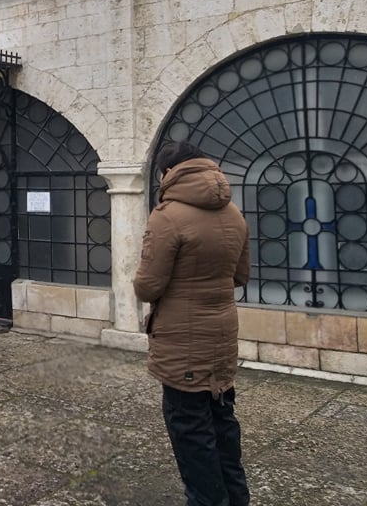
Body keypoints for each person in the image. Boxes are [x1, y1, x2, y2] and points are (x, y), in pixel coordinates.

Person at [134, 141, 251, 506]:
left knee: (190, 430)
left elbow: (148, 286)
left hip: (182, 341)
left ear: (169, 172)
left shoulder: (167, 215)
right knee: (222, 420)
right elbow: (241, 275)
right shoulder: (233, 212)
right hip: (222, 334)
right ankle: (236, 497)